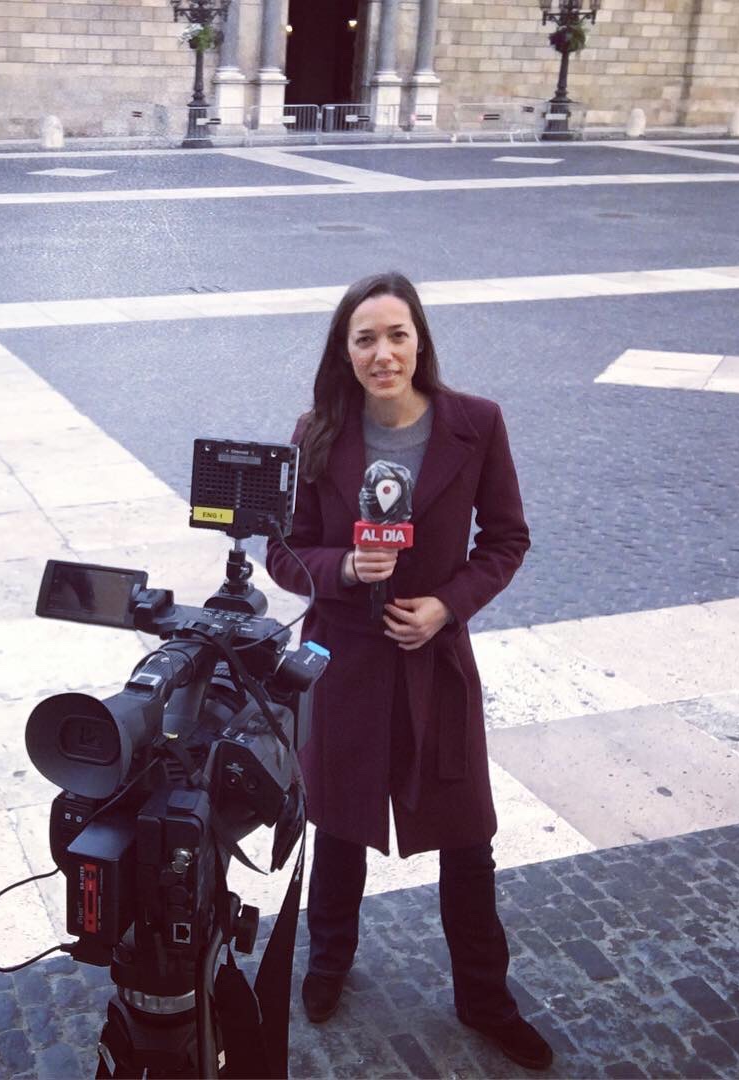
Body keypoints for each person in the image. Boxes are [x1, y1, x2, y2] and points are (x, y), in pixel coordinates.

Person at [265, 272, 551, 1070]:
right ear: (345, 351)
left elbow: (505, 539)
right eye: (365, 339)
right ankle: (328, 965)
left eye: (396, 334)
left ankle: (486, 999)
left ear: (419, 339)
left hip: (437, 666)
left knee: (468, 839)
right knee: (339, 826)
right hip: (347, 664)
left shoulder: (476, 424)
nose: (382, 352)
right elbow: (282, 550)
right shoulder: (316, 432)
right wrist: (344, 569)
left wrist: (446, 606)